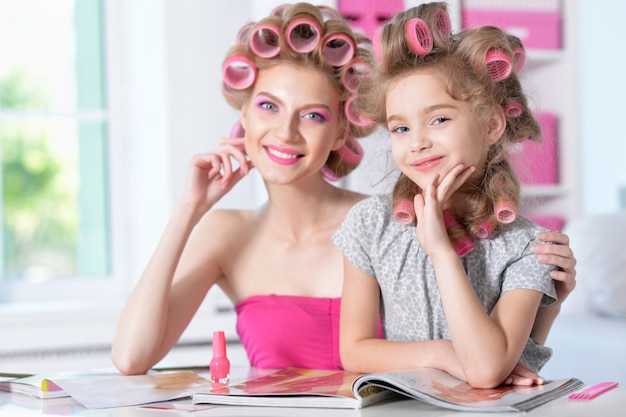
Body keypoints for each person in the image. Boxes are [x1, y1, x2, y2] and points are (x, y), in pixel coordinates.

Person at [111, 2, 576, 376]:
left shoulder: (397, 222)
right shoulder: (227, 233)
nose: (286, 133)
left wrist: (543, 309)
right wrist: (188, 209)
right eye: (269, 106)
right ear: (245, 116)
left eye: (313, 115)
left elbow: (481, 339)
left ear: (343, 129)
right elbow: (131, 358)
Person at [335, 2, 570, 388]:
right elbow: (355, 350)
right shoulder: (370, 223)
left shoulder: (526, 246)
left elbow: (484, 369)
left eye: (439, 119)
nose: (418, 143)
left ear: (491, 124)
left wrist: (441, 251)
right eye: (400, 128)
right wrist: (442, 353)